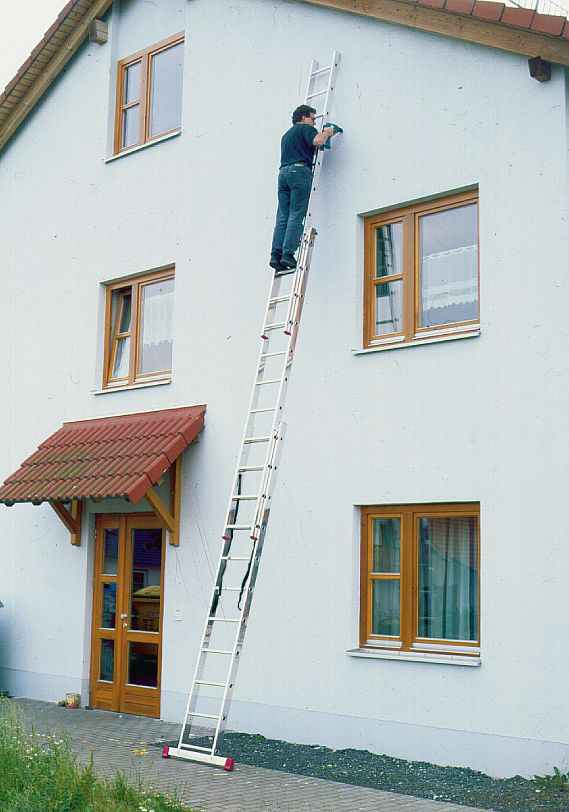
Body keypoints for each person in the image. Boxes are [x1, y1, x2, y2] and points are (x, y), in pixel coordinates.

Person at [269, 105, 335, 272]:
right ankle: (288, 253)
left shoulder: (286, 136)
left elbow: (306, 147)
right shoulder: (305, 128)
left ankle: (275, 254)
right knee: (296, 213)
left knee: (283, 215)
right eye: (312, 119)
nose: (313, 123)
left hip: (283, 174)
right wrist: (327, 133)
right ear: (304, 118)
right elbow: (318, 141)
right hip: (299, 172)